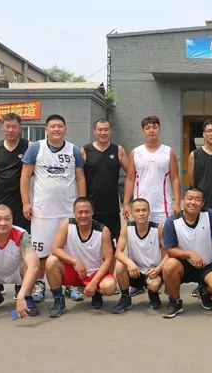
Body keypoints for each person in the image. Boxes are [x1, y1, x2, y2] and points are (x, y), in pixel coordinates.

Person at [20, 114, 87, 303]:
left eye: (60, 126)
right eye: (53, 126)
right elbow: (25, 176)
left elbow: (80, 178)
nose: (56, 129)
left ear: (65, 129)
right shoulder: (36, 148)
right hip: (42, 211)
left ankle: (71, 284)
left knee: (69, 250)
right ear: (46, 129)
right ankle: (39, 283)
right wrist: (26, 202)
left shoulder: (73, 150)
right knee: (41, 252)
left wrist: (82, 204)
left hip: (67, 210)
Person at [161, 187, 212, 319]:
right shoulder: (172, 222)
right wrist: (189, 254)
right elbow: (169, 249)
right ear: (183, 200)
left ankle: (204, 292)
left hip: (208, 265)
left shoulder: (210, 215)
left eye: (197, 199)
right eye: (190, 198)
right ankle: (175, 301)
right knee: (169, 266)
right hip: (184, 265)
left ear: (202, 203)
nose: (193, 202)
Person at [80, 118, 128, 301]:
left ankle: (109, 278)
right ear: (94, 131)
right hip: (90, 209)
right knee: (91, 247)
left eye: (106, 129)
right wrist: (82, 203)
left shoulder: (118, 150)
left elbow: (131, 174)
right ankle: (90, 280)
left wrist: (126, 201)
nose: (103, 133)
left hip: (111, 208)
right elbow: (79, 177)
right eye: (99, 129)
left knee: (112, 247)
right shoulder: (85, 151)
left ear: (110, 131)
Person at [0, 112, 31, 299]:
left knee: (21, 244)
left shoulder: (28, 146)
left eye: (14, 126)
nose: (11, 130)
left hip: (20, 202)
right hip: (0, 202)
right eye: (7, 126)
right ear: (2, 127)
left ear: (20, 128)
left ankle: (21, 285)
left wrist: (28, 202)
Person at [45, 198, 117, 318]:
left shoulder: (103, 230)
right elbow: (55, 249)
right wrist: (75, 262)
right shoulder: (67, 225)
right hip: (75, 272)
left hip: (94, 273)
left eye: (87, 212)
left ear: (92, 212)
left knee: (110, 287)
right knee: (51, 261)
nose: (83, 215)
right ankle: (58, 300)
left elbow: (108, 259)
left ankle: (97, 293)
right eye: (80, 212)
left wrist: (94, 282)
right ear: (74, 213)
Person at [123, 115, 181, 225]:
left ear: (159, 130)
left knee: (163, 235)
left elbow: (175, 178)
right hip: (140, 207)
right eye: (147, 128)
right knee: (142, 235)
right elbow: (130, 179)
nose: (151, 131)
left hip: (163, 207)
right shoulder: (135, 152)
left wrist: (177, 203)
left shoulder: (168, 152)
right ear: (143, 131)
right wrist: (126, 203)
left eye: (154, 127)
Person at [112, 198, 166, 313]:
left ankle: (153, 293)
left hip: (152, 272)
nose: (141, 213)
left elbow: (167, 254)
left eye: (144, 210)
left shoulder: (158, 228)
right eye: (137, 211)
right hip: (135, 271)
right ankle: (125, 298)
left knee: (154, 284)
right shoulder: (127, 228)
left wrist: (158, 269)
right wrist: (129, 263)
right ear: (131, 213)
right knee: (120, 265)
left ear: (149, 212)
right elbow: (117, 252)